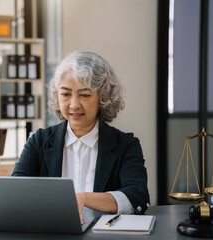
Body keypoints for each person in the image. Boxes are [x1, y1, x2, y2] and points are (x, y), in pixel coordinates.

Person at [12, 51, 150, 223]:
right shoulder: (39, 141)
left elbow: (137, 197)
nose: (74, 105)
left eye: (84, 95)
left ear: (103, 98)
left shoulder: (126, 145)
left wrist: (84, 198)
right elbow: (15, 192)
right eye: (65, 94)